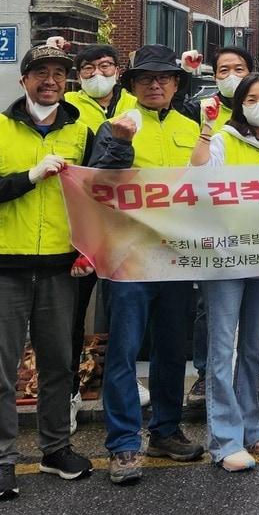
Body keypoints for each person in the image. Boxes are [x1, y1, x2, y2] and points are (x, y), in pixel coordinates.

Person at [0, 41, 95, 502]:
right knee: (0, 371)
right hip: (5, 268)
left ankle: (56, 449)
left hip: (59, 268)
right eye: (41, 73)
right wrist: (28, 178)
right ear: (24, 81)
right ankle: (0, 461)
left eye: (59, 73)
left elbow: (95, 196)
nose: (51, 81)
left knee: (59, 364)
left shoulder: (81, 132)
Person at [89, 44, 205, 485]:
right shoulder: (114, 125)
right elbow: (99, 182)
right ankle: (122, 445)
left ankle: (166, 430)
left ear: (177, 84)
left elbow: (209, 185)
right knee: (123, 351)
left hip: (177, 257)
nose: (155, 85)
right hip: (129, 256)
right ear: (132, 85)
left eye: (164, 78)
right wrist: (120, 144)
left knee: (172, 350)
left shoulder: (192, 127)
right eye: (145, 79)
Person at [191, 73, 259, 471]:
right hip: (227, 256)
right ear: (240, 104)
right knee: (221, 349)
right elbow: (197, 177)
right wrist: (205, 130)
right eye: (252, 98)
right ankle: (224, 439)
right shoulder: (224, 139)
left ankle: (251, 427)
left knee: (252, 347)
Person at [63, 44, 140, 433]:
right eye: (88, 68)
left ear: (118, 68)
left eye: (105, 66)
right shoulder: (68, 108)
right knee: (71, 315)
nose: (98, 74)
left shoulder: (135, 103)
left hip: (128, 228)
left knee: (125, 313)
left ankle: (124, 385)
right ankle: (68, 394)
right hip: (78, 233)